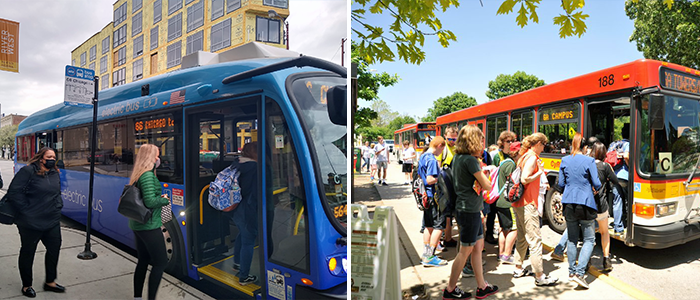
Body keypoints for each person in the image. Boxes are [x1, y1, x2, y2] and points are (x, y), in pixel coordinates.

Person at [443, 125, 499, 299]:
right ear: (474, 140)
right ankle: (450, 289)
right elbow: (487, 185)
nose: (483, 142)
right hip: (469, 210)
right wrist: (488, 173)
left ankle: (482, 286)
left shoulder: (459, 158)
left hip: (469, 209)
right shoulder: (470, 160)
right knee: (465, 250)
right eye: (481, 139)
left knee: (477, 247)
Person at [7, 147, 65, 298]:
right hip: (30, 222)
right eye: (49, 157)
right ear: (41, 158)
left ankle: (50, 282)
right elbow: (14, 192)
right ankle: (27, 285)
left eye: (54, 156)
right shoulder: (28, 171)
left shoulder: (54, 172)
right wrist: (26, 210)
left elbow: (57, 193)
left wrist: (58, 206)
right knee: (28, 252)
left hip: (51, 220)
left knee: (54, 248)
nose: (52, 159)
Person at [512, 133, 559, 286]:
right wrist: (539, 172)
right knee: (535, 240)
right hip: (528, 203)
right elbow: (525, 179)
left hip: (519, 203)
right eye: (543, 144)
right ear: (538, 143)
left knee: (521, 237)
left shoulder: (524, 156)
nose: (544, 147)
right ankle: (540, 276)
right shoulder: (532, 158)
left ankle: (518, 268)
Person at [557, 133, 601, 289]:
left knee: (572, 239)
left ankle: (571, 272)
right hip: (586, 203)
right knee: (589, 239)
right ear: (586, 147)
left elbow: (560, 184)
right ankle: (580, 273)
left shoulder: (565, 160)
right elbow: (596, 182)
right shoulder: (589, 160)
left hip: (569, 203)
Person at [129, 144, 171, 300]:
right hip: (148, 226)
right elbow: (150, 202)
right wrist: (164, 200)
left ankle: (137, 297)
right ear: (150, 157)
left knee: (143, 260)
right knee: (160, 263)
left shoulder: (139, 173)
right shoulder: (147, 175)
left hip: (139, 225)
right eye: (156, 155)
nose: (158, 159)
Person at [230, 142, 259, 285]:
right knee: (249, 240)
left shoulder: (237, 164)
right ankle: (244, 277)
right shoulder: (254, 168)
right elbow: (251, 192)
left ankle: (237, 263)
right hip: (247, 209)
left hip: (235, 208)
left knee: (242, 234)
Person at [417, 136, 448, 267]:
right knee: (439, 227)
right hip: (433, 197)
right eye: (443, 149)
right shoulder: (432, 160)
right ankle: (430, 256)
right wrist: (441, 175)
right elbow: (430, 179)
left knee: (428, 226)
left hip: (425, 197)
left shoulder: (423, 156)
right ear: (440, 145)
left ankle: (426, 253)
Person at [485, 131, 517, 245]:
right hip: (496, 189)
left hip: (507, 190)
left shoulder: (513, 154)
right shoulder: (496, 155)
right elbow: (493, 172)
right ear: (502, 142)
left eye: (512, 141)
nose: (510, 143)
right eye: (508, 141)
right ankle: (489, 234)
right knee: (492, 213)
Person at [591, 142, 618, 272]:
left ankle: (585, 262)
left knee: (588, 235)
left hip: (588, 206)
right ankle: (606, 260)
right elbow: (615, 180)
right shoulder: (605, 166)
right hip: (601, 205)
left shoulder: (587, 165)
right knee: (604, 232)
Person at [495, 141, 521, 264]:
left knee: (503, 229)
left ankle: (501, 253)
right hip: (508, 202)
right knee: (514, 229)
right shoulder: (511, 165)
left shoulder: (504, 162)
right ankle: (507, 255)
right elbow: (513, 183)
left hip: (499, 201)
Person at [436, 125, 459, 248]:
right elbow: (438, 168)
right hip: (444, 186)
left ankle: (448, 238)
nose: (452, 141)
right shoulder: (442, 148)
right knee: (444, 213)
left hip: (453, 185)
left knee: (450, 214)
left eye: (455, 139)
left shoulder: (457, 148)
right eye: (450, 139)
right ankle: (440, 240)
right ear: (445, 136)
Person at [610, 123, 630, 234]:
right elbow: (626, 156)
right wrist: (630, 167)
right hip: (625, 176)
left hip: (614, 176)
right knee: (628, 199)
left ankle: (618, 227)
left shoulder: (614, 144)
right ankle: (628, 222)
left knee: (617, 201)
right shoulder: (628, 144)